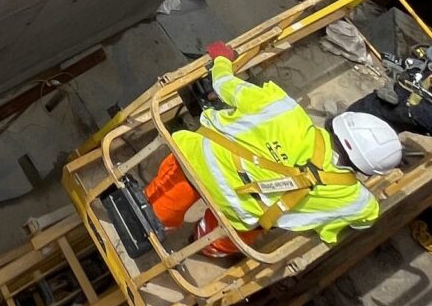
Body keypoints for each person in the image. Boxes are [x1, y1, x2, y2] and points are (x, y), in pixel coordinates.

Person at [145, 42, 401, 251]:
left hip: (198, 163)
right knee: (246, 230)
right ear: (366, 170)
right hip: (237, 210)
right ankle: (204, 245)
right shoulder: (353, 200)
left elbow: (224, 85)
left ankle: (150, 226)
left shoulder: (286, 110)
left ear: (338, 123)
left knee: (159, 209)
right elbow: (368, 215)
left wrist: (222, 60)